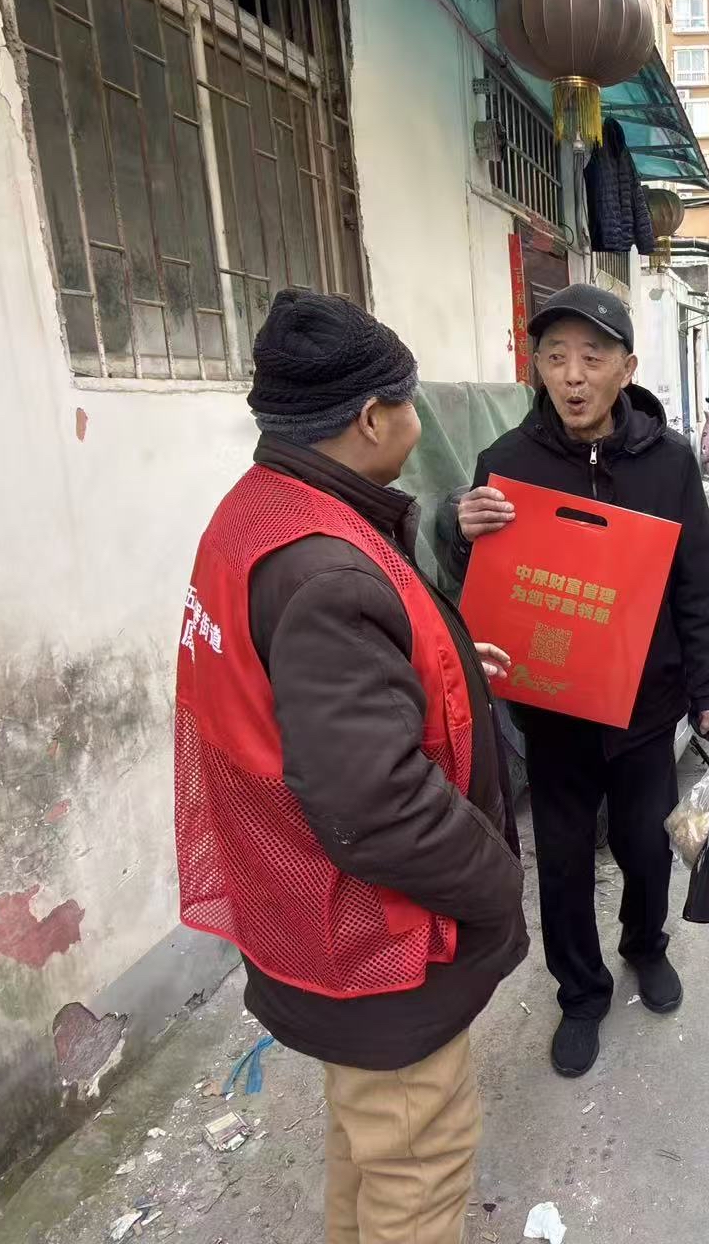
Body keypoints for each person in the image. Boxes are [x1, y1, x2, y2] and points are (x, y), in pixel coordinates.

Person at [173, 289, 527, 1244]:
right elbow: (377, 805)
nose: (415, 421)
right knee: (416, 1167)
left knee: (367, 1148)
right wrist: (496, 881)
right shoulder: (326, 565)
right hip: (375, 939)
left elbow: (311, 691)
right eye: (409, 402)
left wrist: (446, 670)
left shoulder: (257, 512)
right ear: (373, 417)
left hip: (305, 914)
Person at [444, 283, 709, 1079]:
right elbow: (481, 584)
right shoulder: (506, 465)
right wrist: (458, 531)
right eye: (555, 357)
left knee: (645, 844)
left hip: (646, 703)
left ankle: (645, 945)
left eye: (592, 358)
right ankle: (579, 993)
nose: (572, 376)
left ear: (625, 368)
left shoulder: (668, 463)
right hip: (553, 711)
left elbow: (698, 584)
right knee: (564, 859)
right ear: (536, 367)